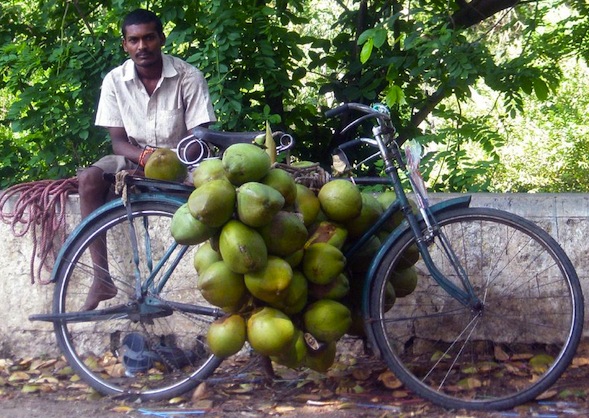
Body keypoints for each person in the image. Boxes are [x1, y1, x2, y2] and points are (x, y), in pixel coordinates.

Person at [77, 9, 216, 310]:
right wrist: (143, 158)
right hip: (132, 156)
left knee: (216, 198)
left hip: (181, 160)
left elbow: (199, 138)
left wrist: (171, 163)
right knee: (88, 179)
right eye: (134, 40)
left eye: (149, 38)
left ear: (161, 39)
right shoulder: (115, 81)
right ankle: (101, 278)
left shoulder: (188, 77)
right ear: (125, 45)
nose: (143, 46)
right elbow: (117, 141)